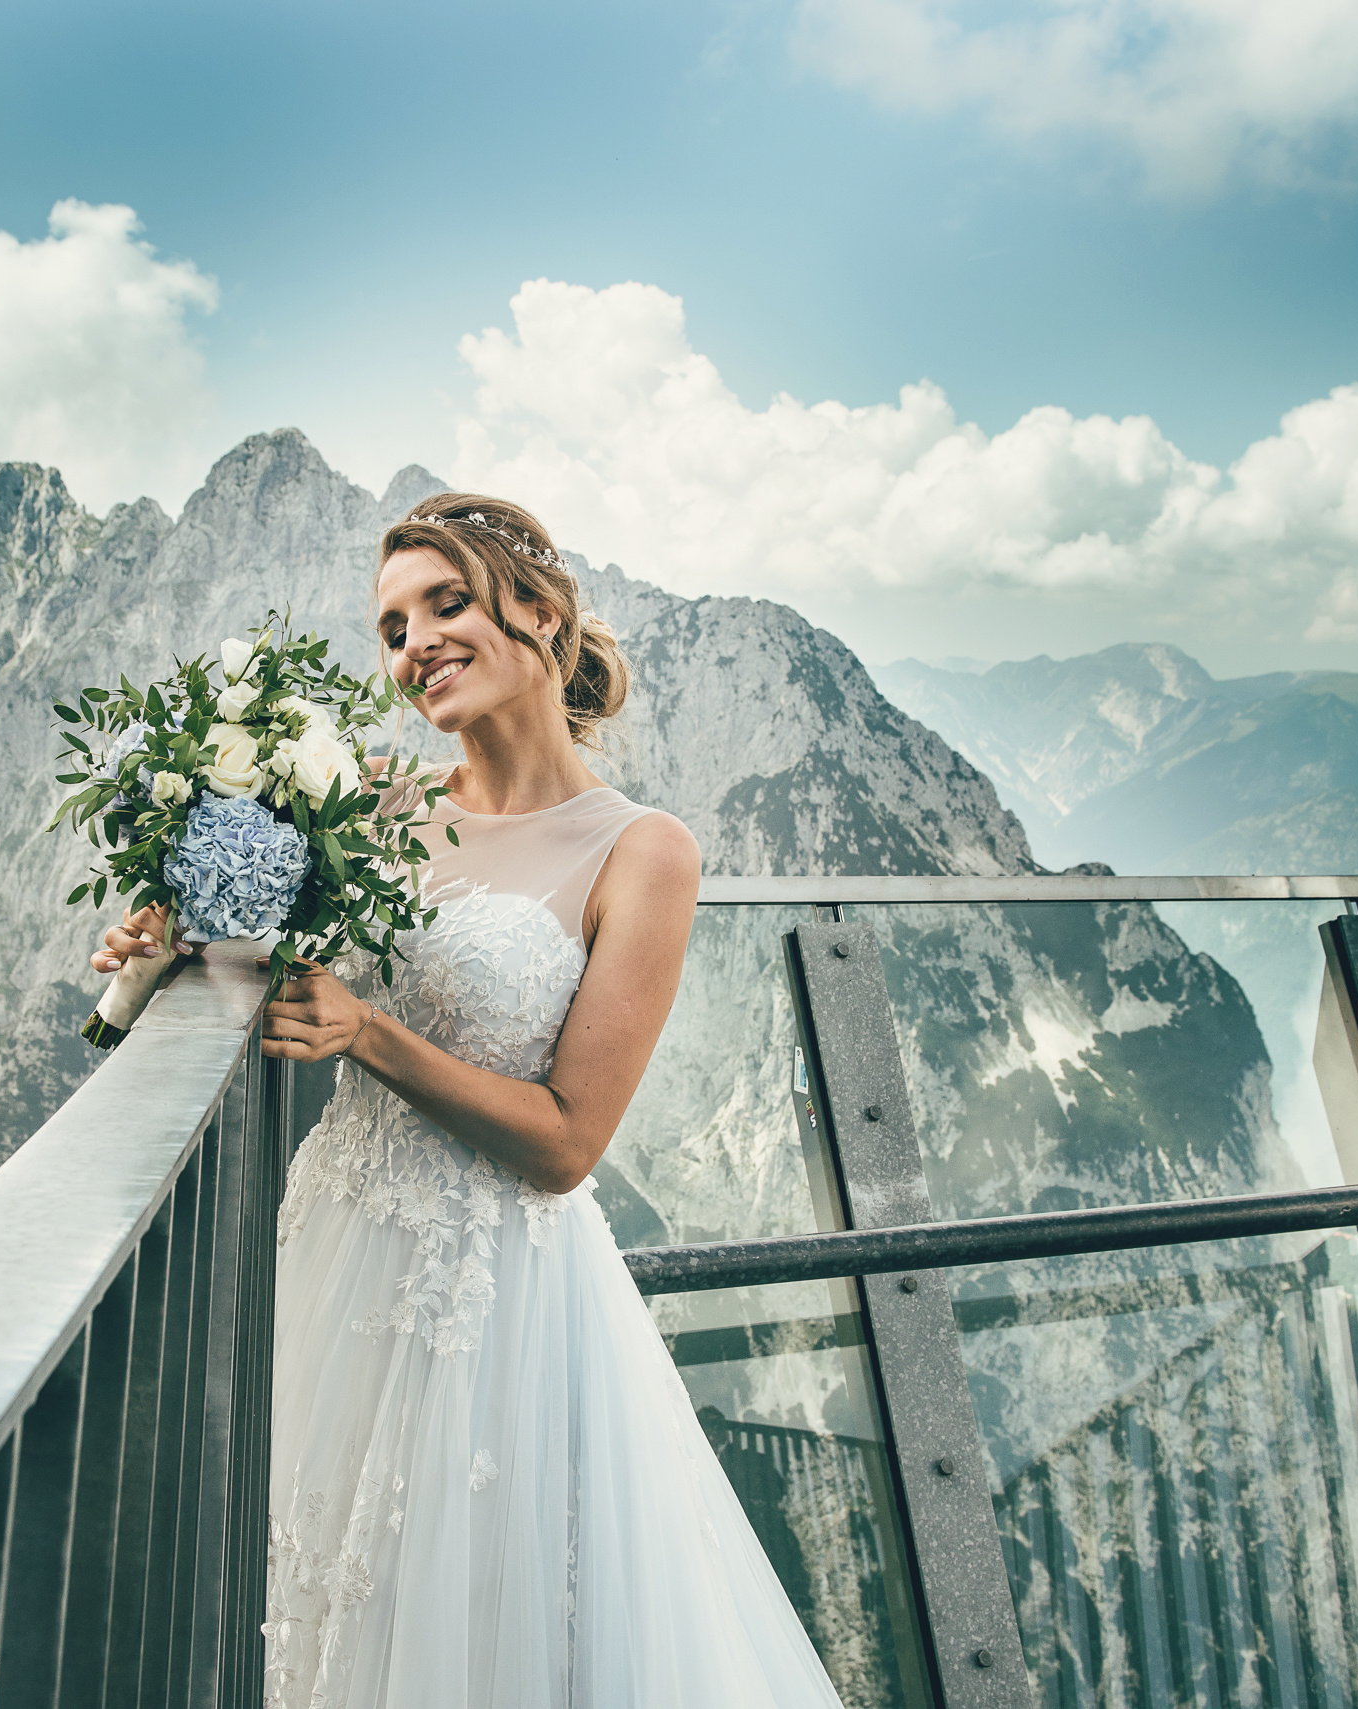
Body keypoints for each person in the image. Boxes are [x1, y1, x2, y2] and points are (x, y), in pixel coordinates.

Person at [93, 494, 843, 1709]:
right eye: (393, 627)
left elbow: (567, 1141)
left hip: (495, 1293)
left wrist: (371, 1034)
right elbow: (268, 953)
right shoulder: (380, 806)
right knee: (319, 1596)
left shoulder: (644, 850)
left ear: (538, 612)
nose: (416, 644)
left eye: (446, 604)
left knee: (472, 1620)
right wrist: (173, 934)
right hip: (336, 1249)